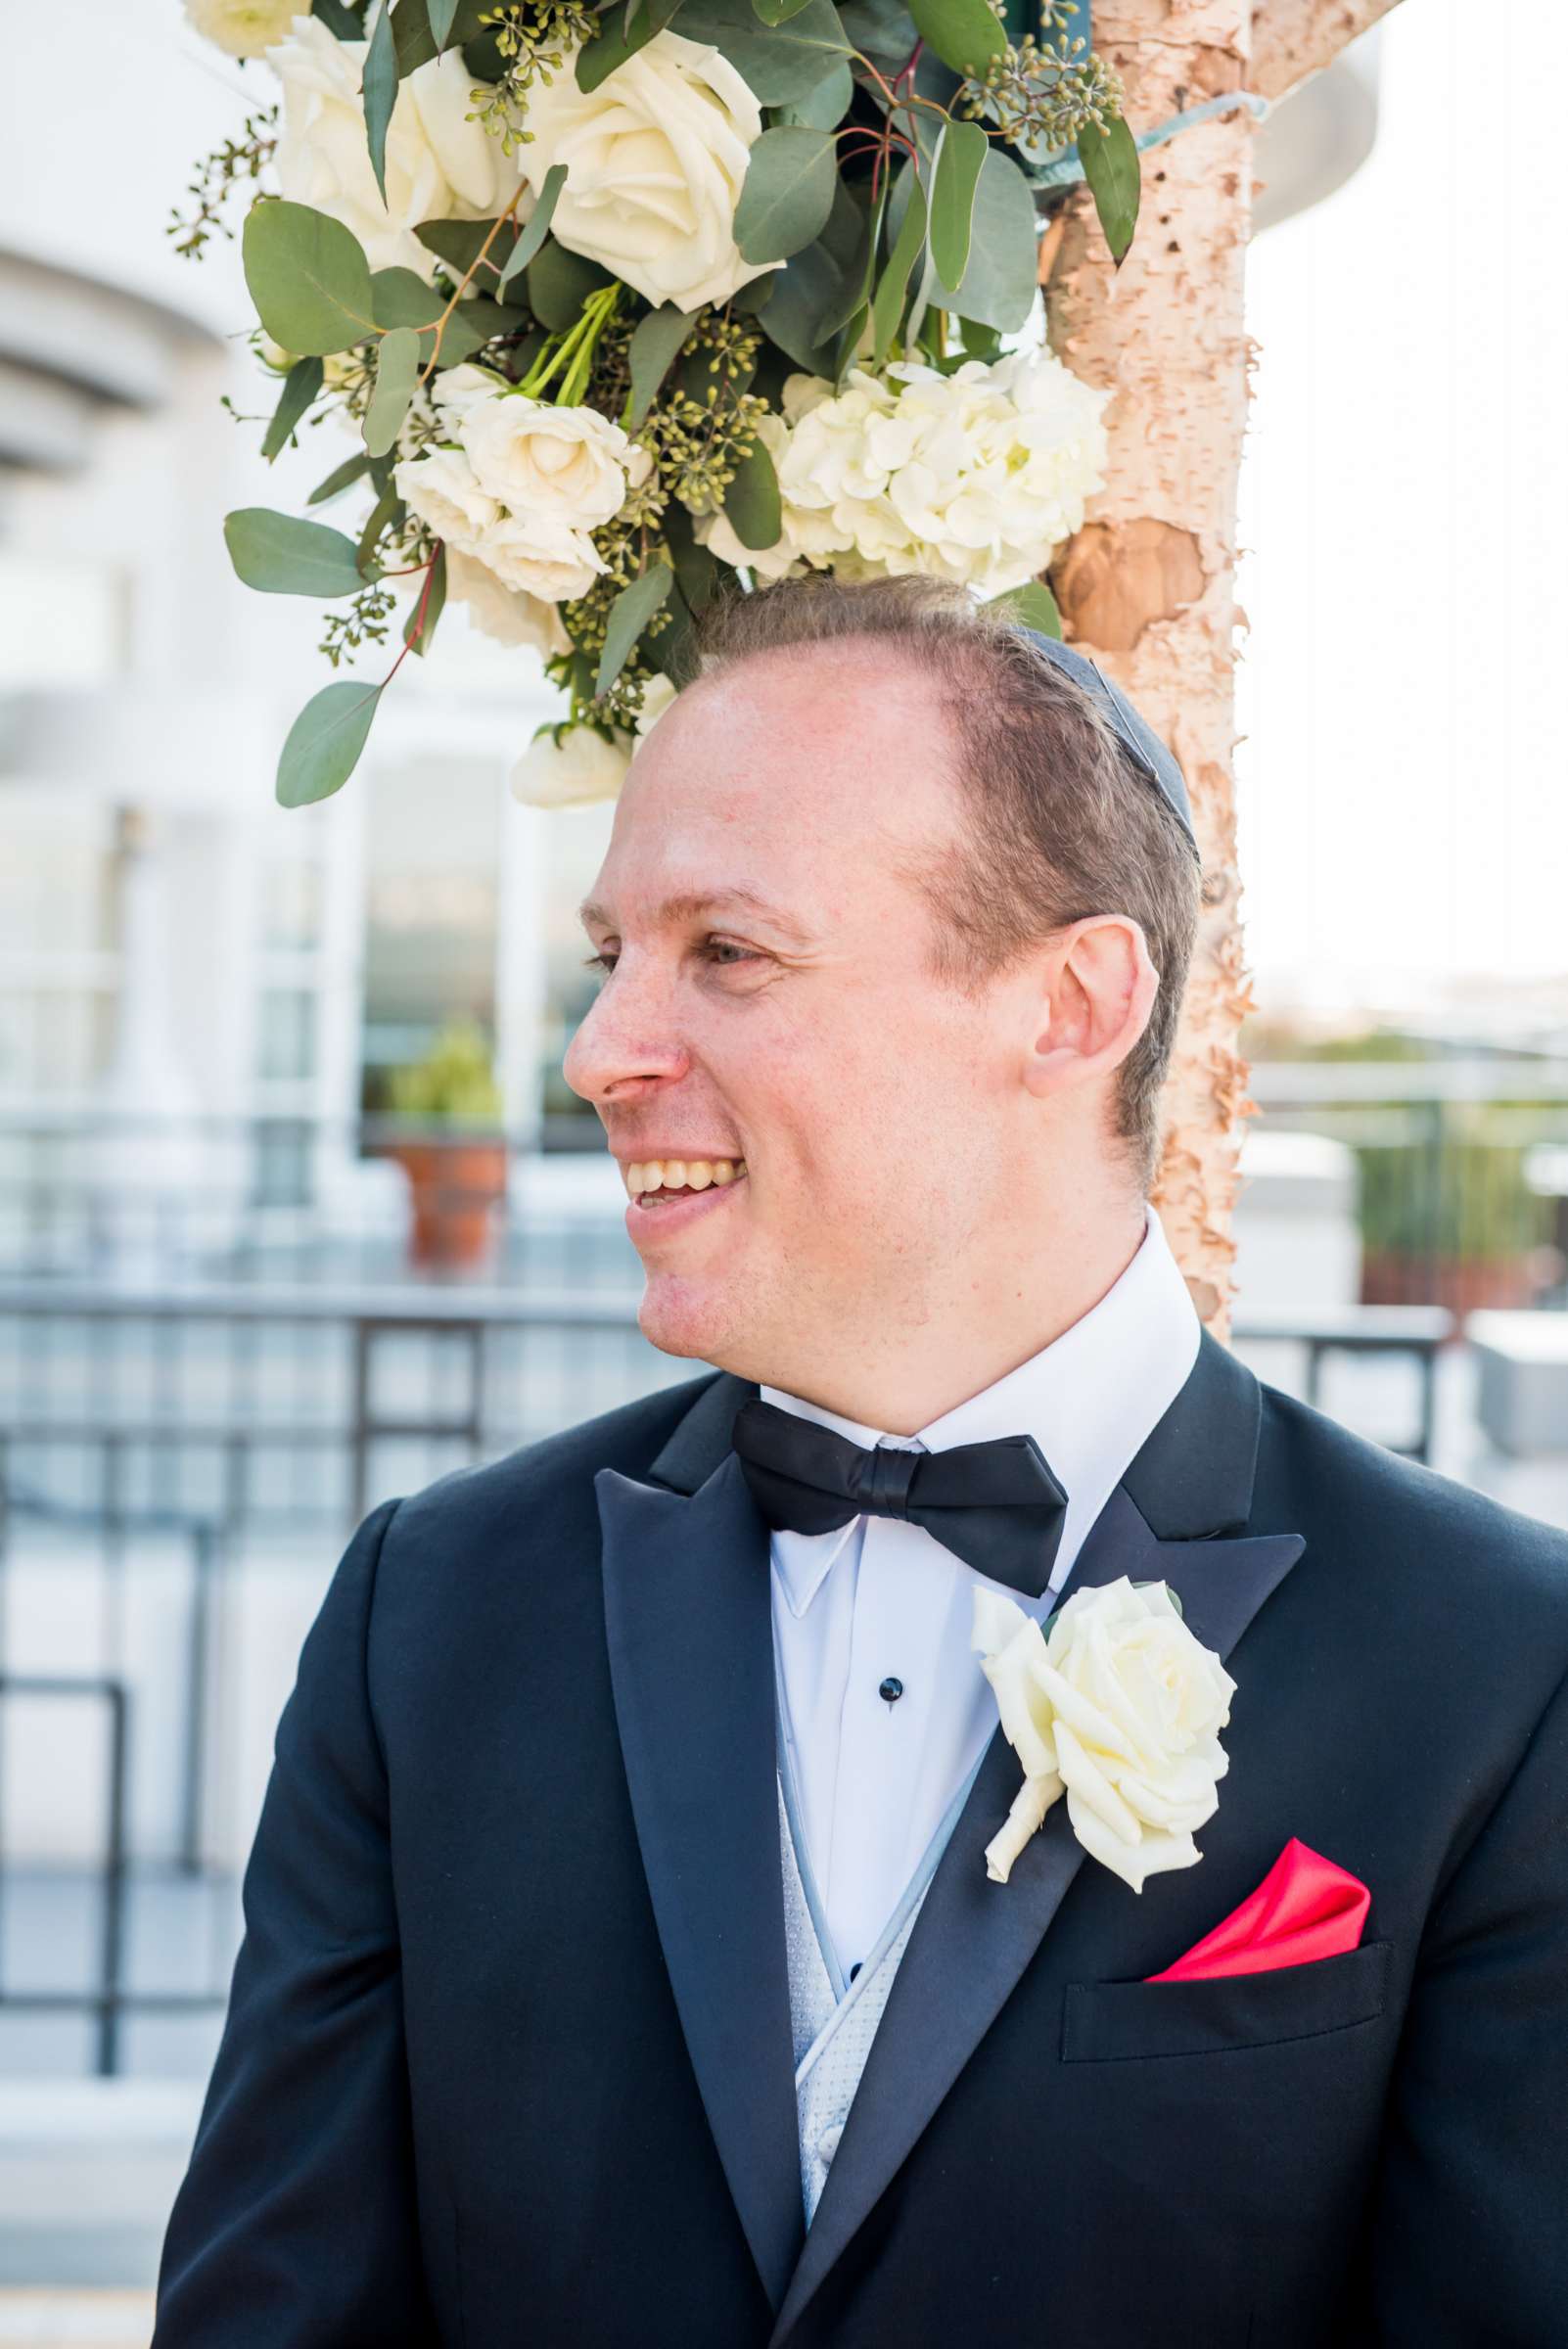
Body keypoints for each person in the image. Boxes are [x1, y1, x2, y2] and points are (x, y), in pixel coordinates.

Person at [152, 574, 1568, 2348]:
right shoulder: (425, 1615)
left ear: (1067, 1003)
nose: (599, 1053)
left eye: (725, 952)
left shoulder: (1497, 1673)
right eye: (614, 957)